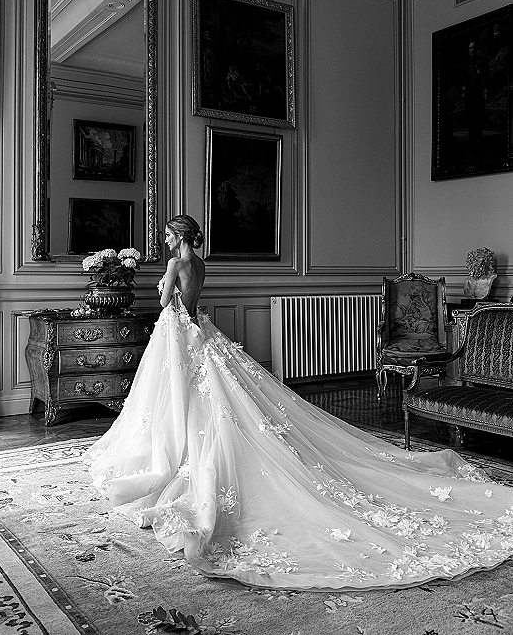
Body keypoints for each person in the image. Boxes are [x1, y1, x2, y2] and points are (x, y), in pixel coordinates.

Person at [86, 215, 513, 593]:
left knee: (184, 399)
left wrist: (163, 284)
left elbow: (166, 303)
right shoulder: (199, 264)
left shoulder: (176, 264)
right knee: (204, 399)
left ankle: (176, 453)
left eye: (167, 234)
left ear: (179, 236)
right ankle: (182, 448)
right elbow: (191, 302)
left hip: (180, 335)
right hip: (197, 330)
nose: (164, 240)